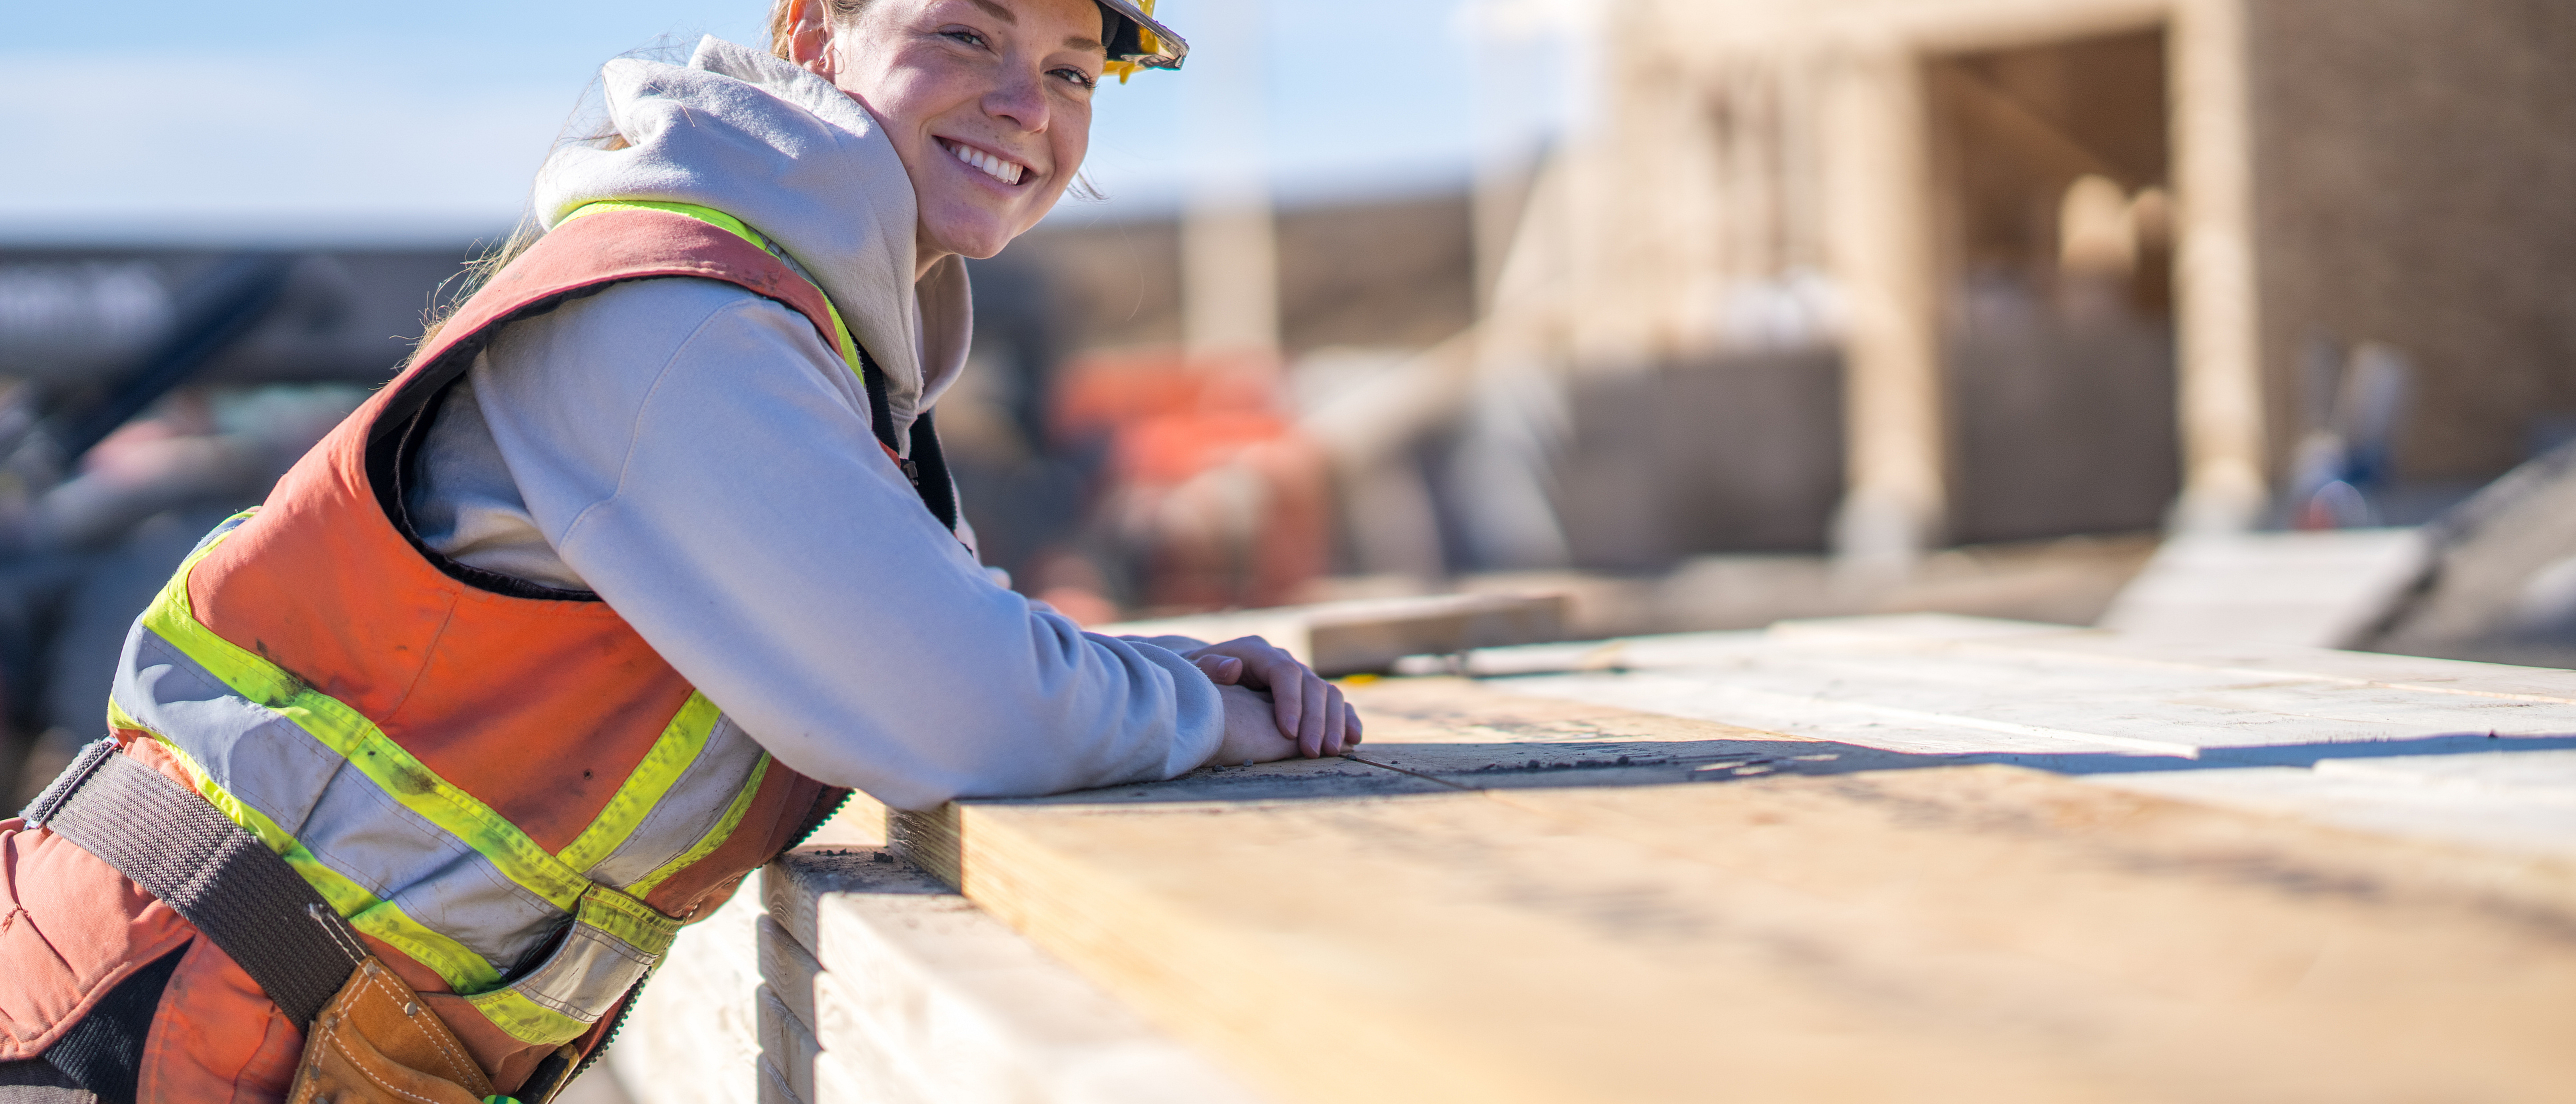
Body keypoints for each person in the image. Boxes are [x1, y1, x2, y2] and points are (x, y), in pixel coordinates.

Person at [0, 1, 1361, 1100]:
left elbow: (954, 635)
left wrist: (1157, 675)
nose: (1027, 103)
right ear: (814, 36)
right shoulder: (681, 319)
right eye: (966, 35)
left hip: (255, 1015)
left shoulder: (807, 338)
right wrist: (1212, 720)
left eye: (1070, 69)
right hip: (154, 1016)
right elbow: (965, 709)